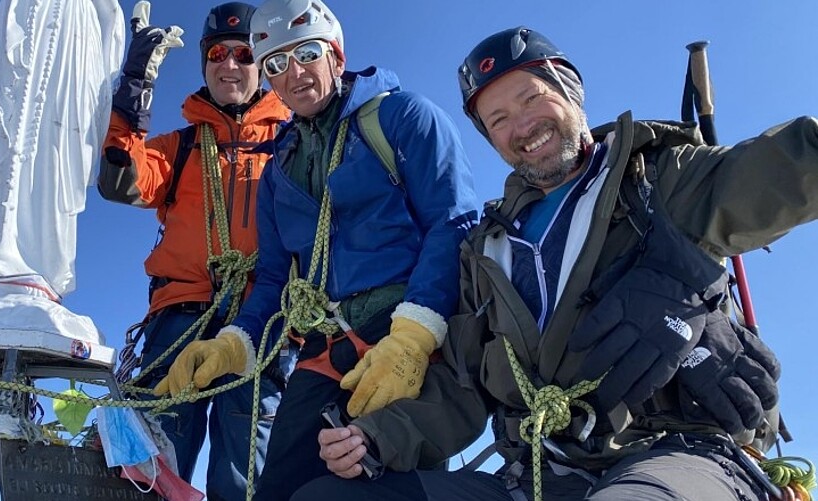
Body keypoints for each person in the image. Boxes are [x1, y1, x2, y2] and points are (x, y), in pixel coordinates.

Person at [292, 26, 801, 501]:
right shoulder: (487, 250)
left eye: (531, 98)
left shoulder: (658, 184)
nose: (522, 126)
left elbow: (785, 170)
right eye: (498, 121)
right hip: (538, 472)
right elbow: (463, 390)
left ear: (570, 90)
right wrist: (376, 437)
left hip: (671, 453)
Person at [149, 0, 479, 499]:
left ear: (336, 56)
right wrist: (234, 343)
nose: (294, 73)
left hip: (403, 334)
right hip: (326, 348)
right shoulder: (280, 166)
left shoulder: (401, 116)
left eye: (306, 53)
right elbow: (278, 279)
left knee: (390, 487)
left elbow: (453, 222)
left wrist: (415, 337)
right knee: (279, 488)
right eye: (277, 63)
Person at [97, 3, 292, 500]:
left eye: (244, 54)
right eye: (218, 54)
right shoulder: (179, 146)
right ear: (205, 64)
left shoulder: (293, 142)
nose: (229, 65)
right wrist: (135, 83)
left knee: (245, 472)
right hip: (178, 317)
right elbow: (120, 179)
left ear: (264, 62)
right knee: (157, 463)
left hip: (261, 320)